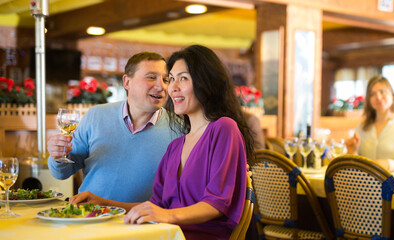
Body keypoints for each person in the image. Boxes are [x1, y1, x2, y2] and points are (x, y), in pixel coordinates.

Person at [70, 45, 253, 240]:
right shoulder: (176, 145)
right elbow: (157, 207)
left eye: (182, 78)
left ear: (206, 82)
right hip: (164, 233)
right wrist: (103, 203)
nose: (171, 88)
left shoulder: (224, 128)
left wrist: (167, 216)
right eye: (171, 79)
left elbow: (217, 203)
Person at [47, 52, 183, 202]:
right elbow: (62, 173)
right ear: (127, 82)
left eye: (166, 80)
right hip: (89, 218)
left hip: (144, 223)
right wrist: (58, 156)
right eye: (151, 77)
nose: (161, 86)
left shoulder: (179, 130)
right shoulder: (95, 116)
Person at [345, 75, 394, 171]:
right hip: (365, 184)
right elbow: (358, 167)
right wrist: (352, 152)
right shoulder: (362, 127)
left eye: (382, 92)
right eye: (372, 94)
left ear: (392, 95)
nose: (378, 97)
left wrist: (389, 164)